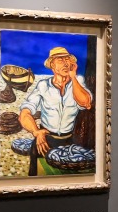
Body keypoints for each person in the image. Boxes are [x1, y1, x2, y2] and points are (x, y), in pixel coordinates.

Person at [18, 46, 94, 174]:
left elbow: (86, 103)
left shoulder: (78, 82)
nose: (66, 63)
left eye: (67, 59)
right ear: (52, 65)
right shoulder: (43, 85)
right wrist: (36, 132)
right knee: (39, 175)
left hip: (69, 142)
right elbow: (24, 113)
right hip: (45, 140)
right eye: (60, 60)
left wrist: (73, 77)